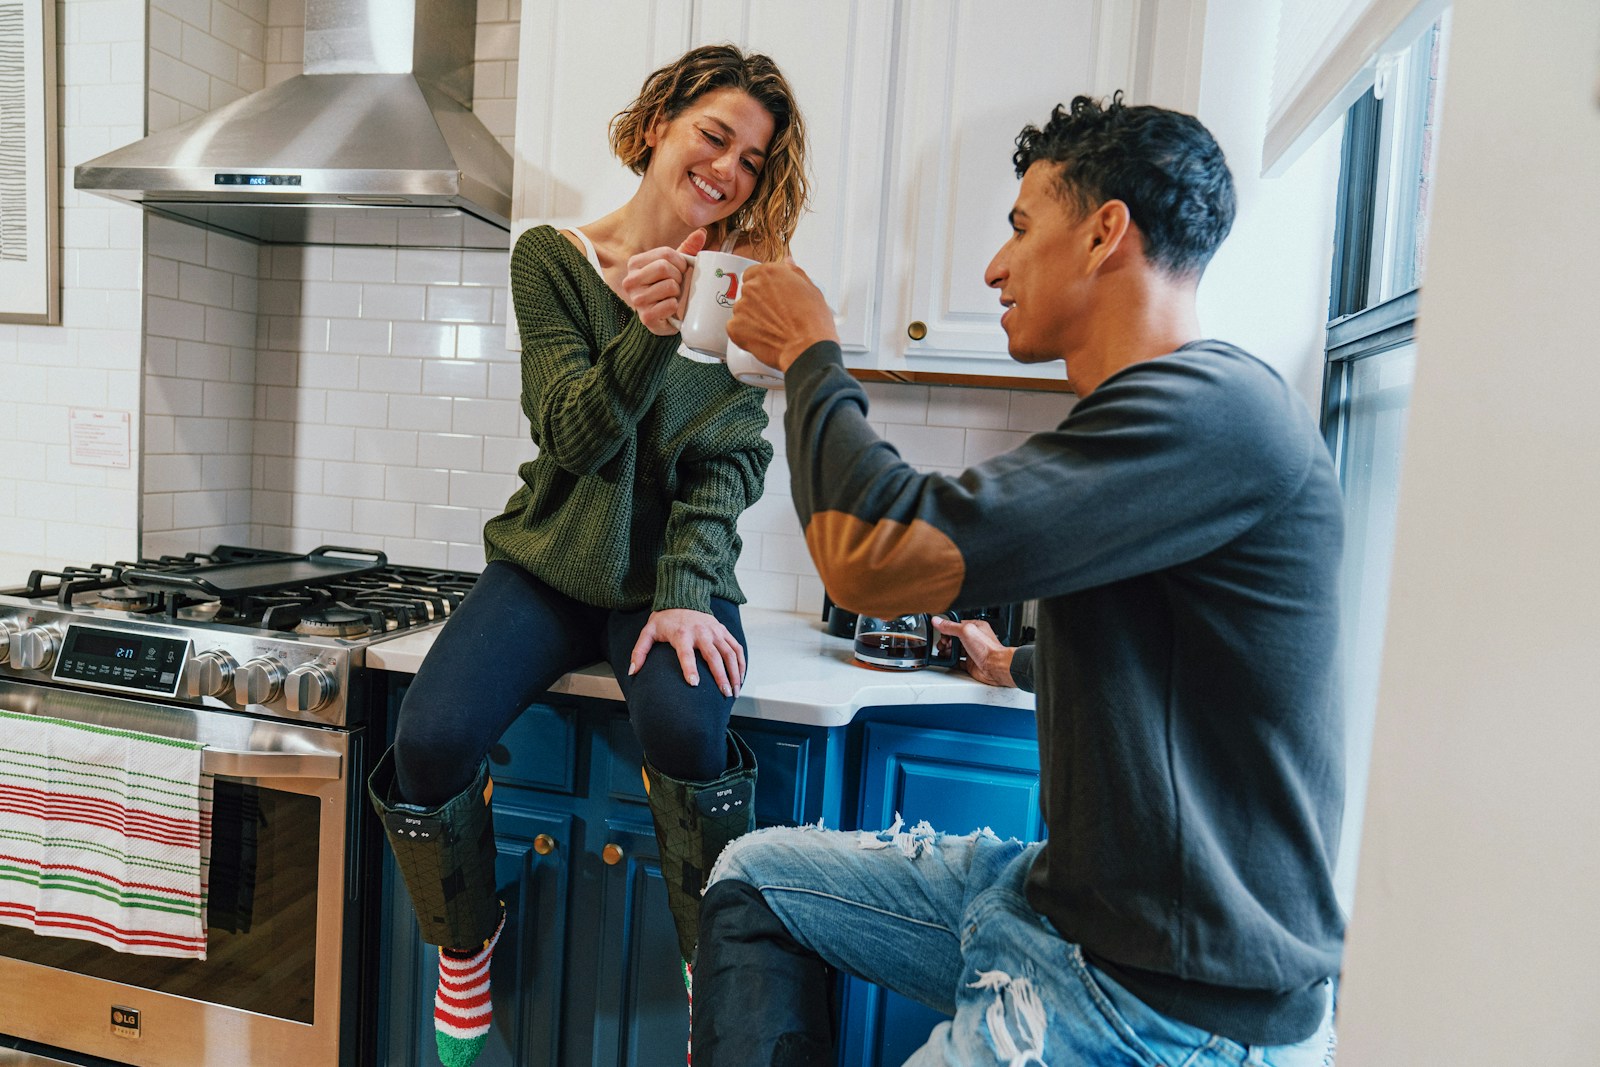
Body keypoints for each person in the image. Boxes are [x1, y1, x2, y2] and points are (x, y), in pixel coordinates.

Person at [696, 93, 1346, 1067]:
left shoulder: (1214, 413)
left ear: (1103, 232)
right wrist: (1016, 663)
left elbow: (870, 548)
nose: (995, 266)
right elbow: (1186, 656)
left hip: (1167, 1001)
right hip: (1059, 902)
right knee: (752, 875)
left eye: (1018, 227)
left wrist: (808, 351)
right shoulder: (1160, 416)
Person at [366, 44, 809, 1067]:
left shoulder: (743, 290)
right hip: (550, 560)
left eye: (751, 158)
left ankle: (716, 966)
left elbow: (727, 464)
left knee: (687, 728)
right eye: (715, 136)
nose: (728, 170)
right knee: (428, 738)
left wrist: (693, 591)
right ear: (659, 123)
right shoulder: (551, 258)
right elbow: (573, 435)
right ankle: (468, 940)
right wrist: (650, 330)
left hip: (668, 580)